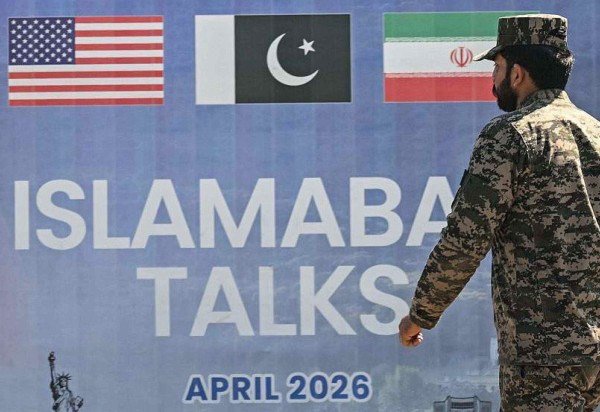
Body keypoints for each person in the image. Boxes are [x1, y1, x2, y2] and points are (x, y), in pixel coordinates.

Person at [397, 14, 600, 411]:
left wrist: (420, 314)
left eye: (497, 66)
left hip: (543, 355)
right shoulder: (595, 133)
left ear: (518, 73)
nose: (493, 78)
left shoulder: (510, 135)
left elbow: (465, 240)